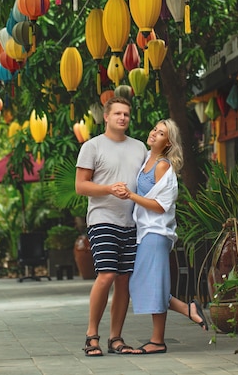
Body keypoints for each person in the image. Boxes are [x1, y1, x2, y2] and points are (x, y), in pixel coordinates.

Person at [122, 119, 208, 355]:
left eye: (161, 133)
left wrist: (130, 195)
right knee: (145, 283)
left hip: (157, 232)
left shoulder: (162, 166)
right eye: (155, 129)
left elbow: (161, 205)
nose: (154, 134)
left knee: (149, 284)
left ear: (168, 142)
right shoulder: (146, 161)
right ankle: (187, 309)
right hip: (145, 231)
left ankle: (157, 340)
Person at [75, 95, 147, 357]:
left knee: (124, 281)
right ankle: (91, 335)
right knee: (106, 275)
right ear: (106, 117)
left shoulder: (139, 148)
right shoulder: (92, 147)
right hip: (102, 219)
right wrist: (108, 189)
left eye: (126, 114)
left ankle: (115, 338)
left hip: (132, 223)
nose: (122, 118)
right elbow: (81, 186)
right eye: (117, 113)